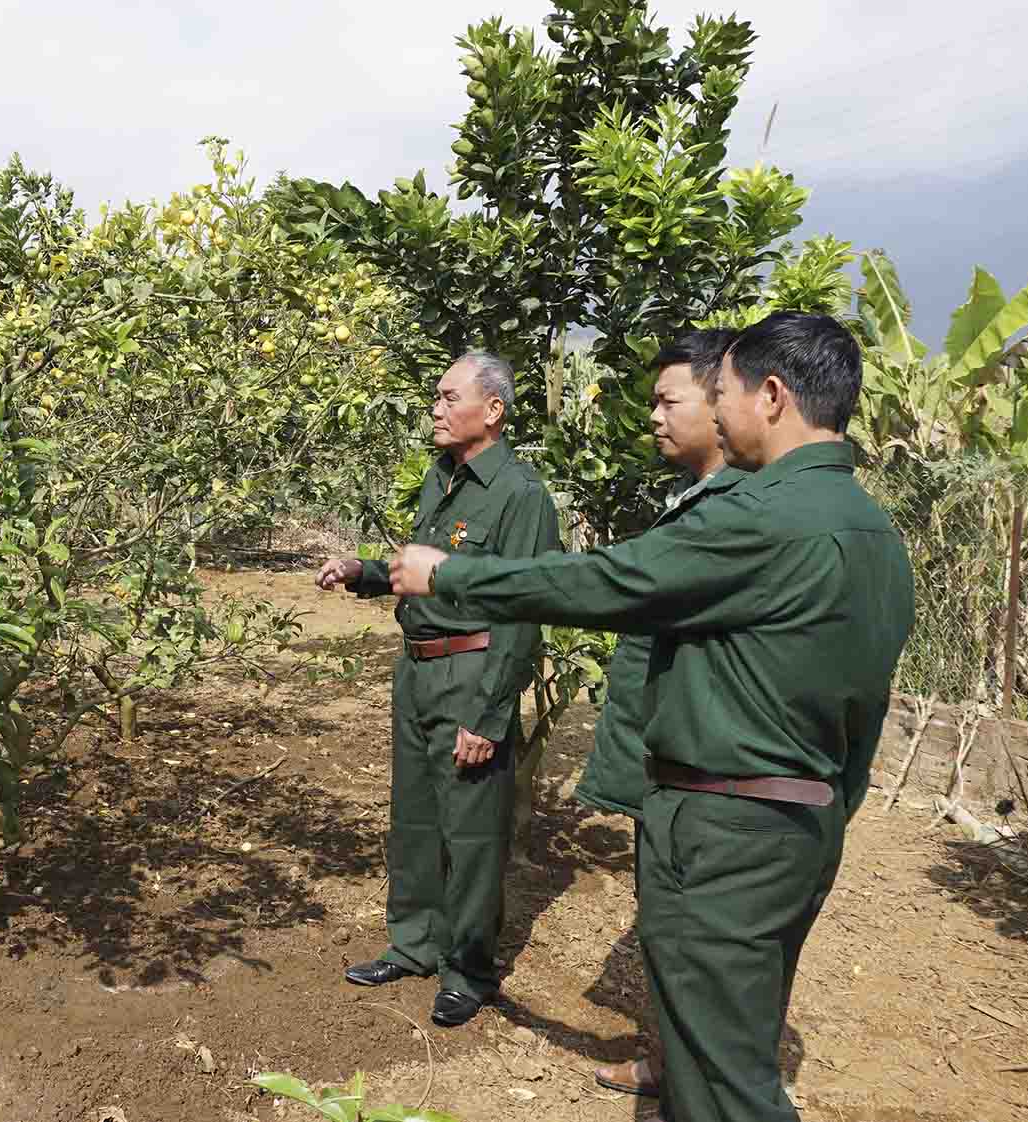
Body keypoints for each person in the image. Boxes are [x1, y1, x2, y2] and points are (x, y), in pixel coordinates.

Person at [386, 313, 914, 1122]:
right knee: (713, 1049)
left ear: (771, 396)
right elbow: (863, 714)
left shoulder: (765, 516)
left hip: (730, 824)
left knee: (729, 1083)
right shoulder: (872, 530)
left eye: (722, 390)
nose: (705, 407)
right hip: (794, 818)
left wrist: (454, 575)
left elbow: (608, 581)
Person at [315, 350, 561, 1028]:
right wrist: (362, 569)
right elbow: (419, 570)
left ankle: (470, 969)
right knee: (417, 817)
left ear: (493, 410)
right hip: (418, 668)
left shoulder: (520, 494)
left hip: (471, 673)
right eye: (436, 397)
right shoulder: (442, 478)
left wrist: (489, 712)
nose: (436, 408)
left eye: (450, 397)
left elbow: (523, 609)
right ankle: (416, 942)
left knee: (474, 831)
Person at [572, 328, 740, 1099]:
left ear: (726, 398)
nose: (654, 418)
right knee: (666, 929)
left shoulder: (741, 514)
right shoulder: (690, 502)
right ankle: (669, 1065)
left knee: (705, 945)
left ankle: (705, 1083)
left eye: (669, 401)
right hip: (663, 761)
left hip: (709, 776)